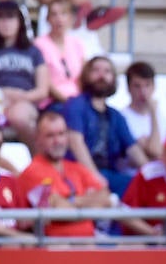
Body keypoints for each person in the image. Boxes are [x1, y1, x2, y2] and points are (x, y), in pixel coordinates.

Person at [18, 107, 111, 239]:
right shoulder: (32, 172)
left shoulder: (77, 168)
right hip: (55, 247)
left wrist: (70, 201)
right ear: (38, 138)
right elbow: (58, 210)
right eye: (50, 135)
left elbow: (106, 199)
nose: (58, 141)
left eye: (61, 134)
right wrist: (90, 204)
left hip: (89, 243)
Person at [61, 56, 147, 197]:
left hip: (110, 176)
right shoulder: (75, 105)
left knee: (141, 187)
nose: (101, 75)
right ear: (86, 75)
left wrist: (153, 175)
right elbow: (76, 143)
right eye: (96, 70)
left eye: (107, 71)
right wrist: (94, 176)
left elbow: (134, 150)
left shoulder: (116, 116)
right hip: (78, 174)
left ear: (113, 79)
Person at [0, 1, 49, 145]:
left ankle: (37, 159)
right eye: (1, 18)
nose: (6, 23)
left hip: (27, 102)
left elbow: (43, 90)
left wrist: (21, 96)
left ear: (19, 22)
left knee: (19, 115)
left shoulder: (34, 51)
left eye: (11, 18)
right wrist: (2, 94)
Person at [33, 0, 88, 111]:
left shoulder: (77, 43)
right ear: (48, 19)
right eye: (54, 14)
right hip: (53, 101)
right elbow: (45, 82)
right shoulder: (38, 45)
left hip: (78, 99)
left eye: (63, 14)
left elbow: (83, 76)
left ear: (70, 18)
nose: (59, 19)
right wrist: (67, 101)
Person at [117, 61, 166, 162]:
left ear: (154, 87)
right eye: (137, 86)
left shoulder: (161, 116)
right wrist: (153, 113)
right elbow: (155, 151)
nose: (143, 92)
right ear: (128, 88)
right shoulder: (122, 117)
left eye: (147, 85)